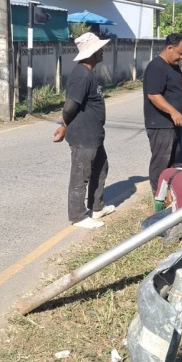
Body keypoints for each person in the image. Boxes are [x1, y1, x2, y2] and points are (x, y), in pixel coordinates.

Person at [53, 32, 115, 229]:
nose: (102, 51)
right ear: (92, 53)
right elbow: (70, 106)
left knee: (101, 167)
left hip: (93, 134)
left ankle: (96, 207)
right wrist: (64, 125)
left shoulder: (88, 73)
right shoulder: (82, 76)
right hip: (83, 136)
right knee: (81, 175)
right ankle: (78, 216)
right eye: (99, 49)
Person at [143, 33, 182, 193]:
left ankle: (171, 194)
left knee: (174, 161)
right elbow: (153, 95)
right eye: (180, 53)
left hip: (173, 124)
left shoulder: (173, 66)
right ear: (169, 48)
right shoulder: (156, 67)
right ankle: (158, 197)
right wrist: (173, 112)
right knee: (161, 163)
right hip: (161, 125)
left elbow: (179, 84)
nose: (181, 57)